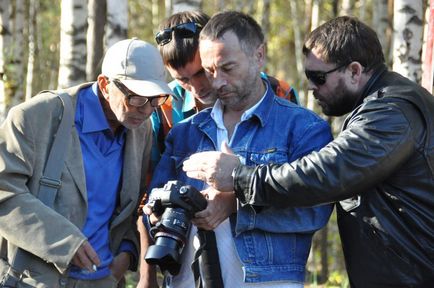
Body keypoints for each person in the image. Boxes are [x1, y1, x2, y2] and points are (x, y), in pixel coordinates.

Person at [183, 15, 434, 288]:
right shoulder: (386, 106)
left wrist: (241, 178)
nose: (312, 87)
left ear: (354, 71)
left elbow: (328, 173)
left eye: (319, 77)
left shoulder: (391, 111)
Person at [144, 11, 333, 288]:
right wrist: (158, 214)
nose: (216, 82)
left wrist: (236, 204)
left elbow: (314, 211)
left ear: (259, 56)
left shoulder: (303, 128)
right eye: (210, 71)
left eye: (228, 68)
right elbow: (152, 210)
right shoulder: (184, 132)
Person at [0, 38, 174, 288]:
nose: (146, 110)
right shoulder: (37, 117)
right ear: (105, 85)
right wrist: (65, 242)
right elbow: (4, 191)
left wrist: (127, 252)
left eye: (155, 98)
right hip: (33, 280)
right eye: (136, 97)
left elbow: (133, 205)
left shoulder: (141, 130)